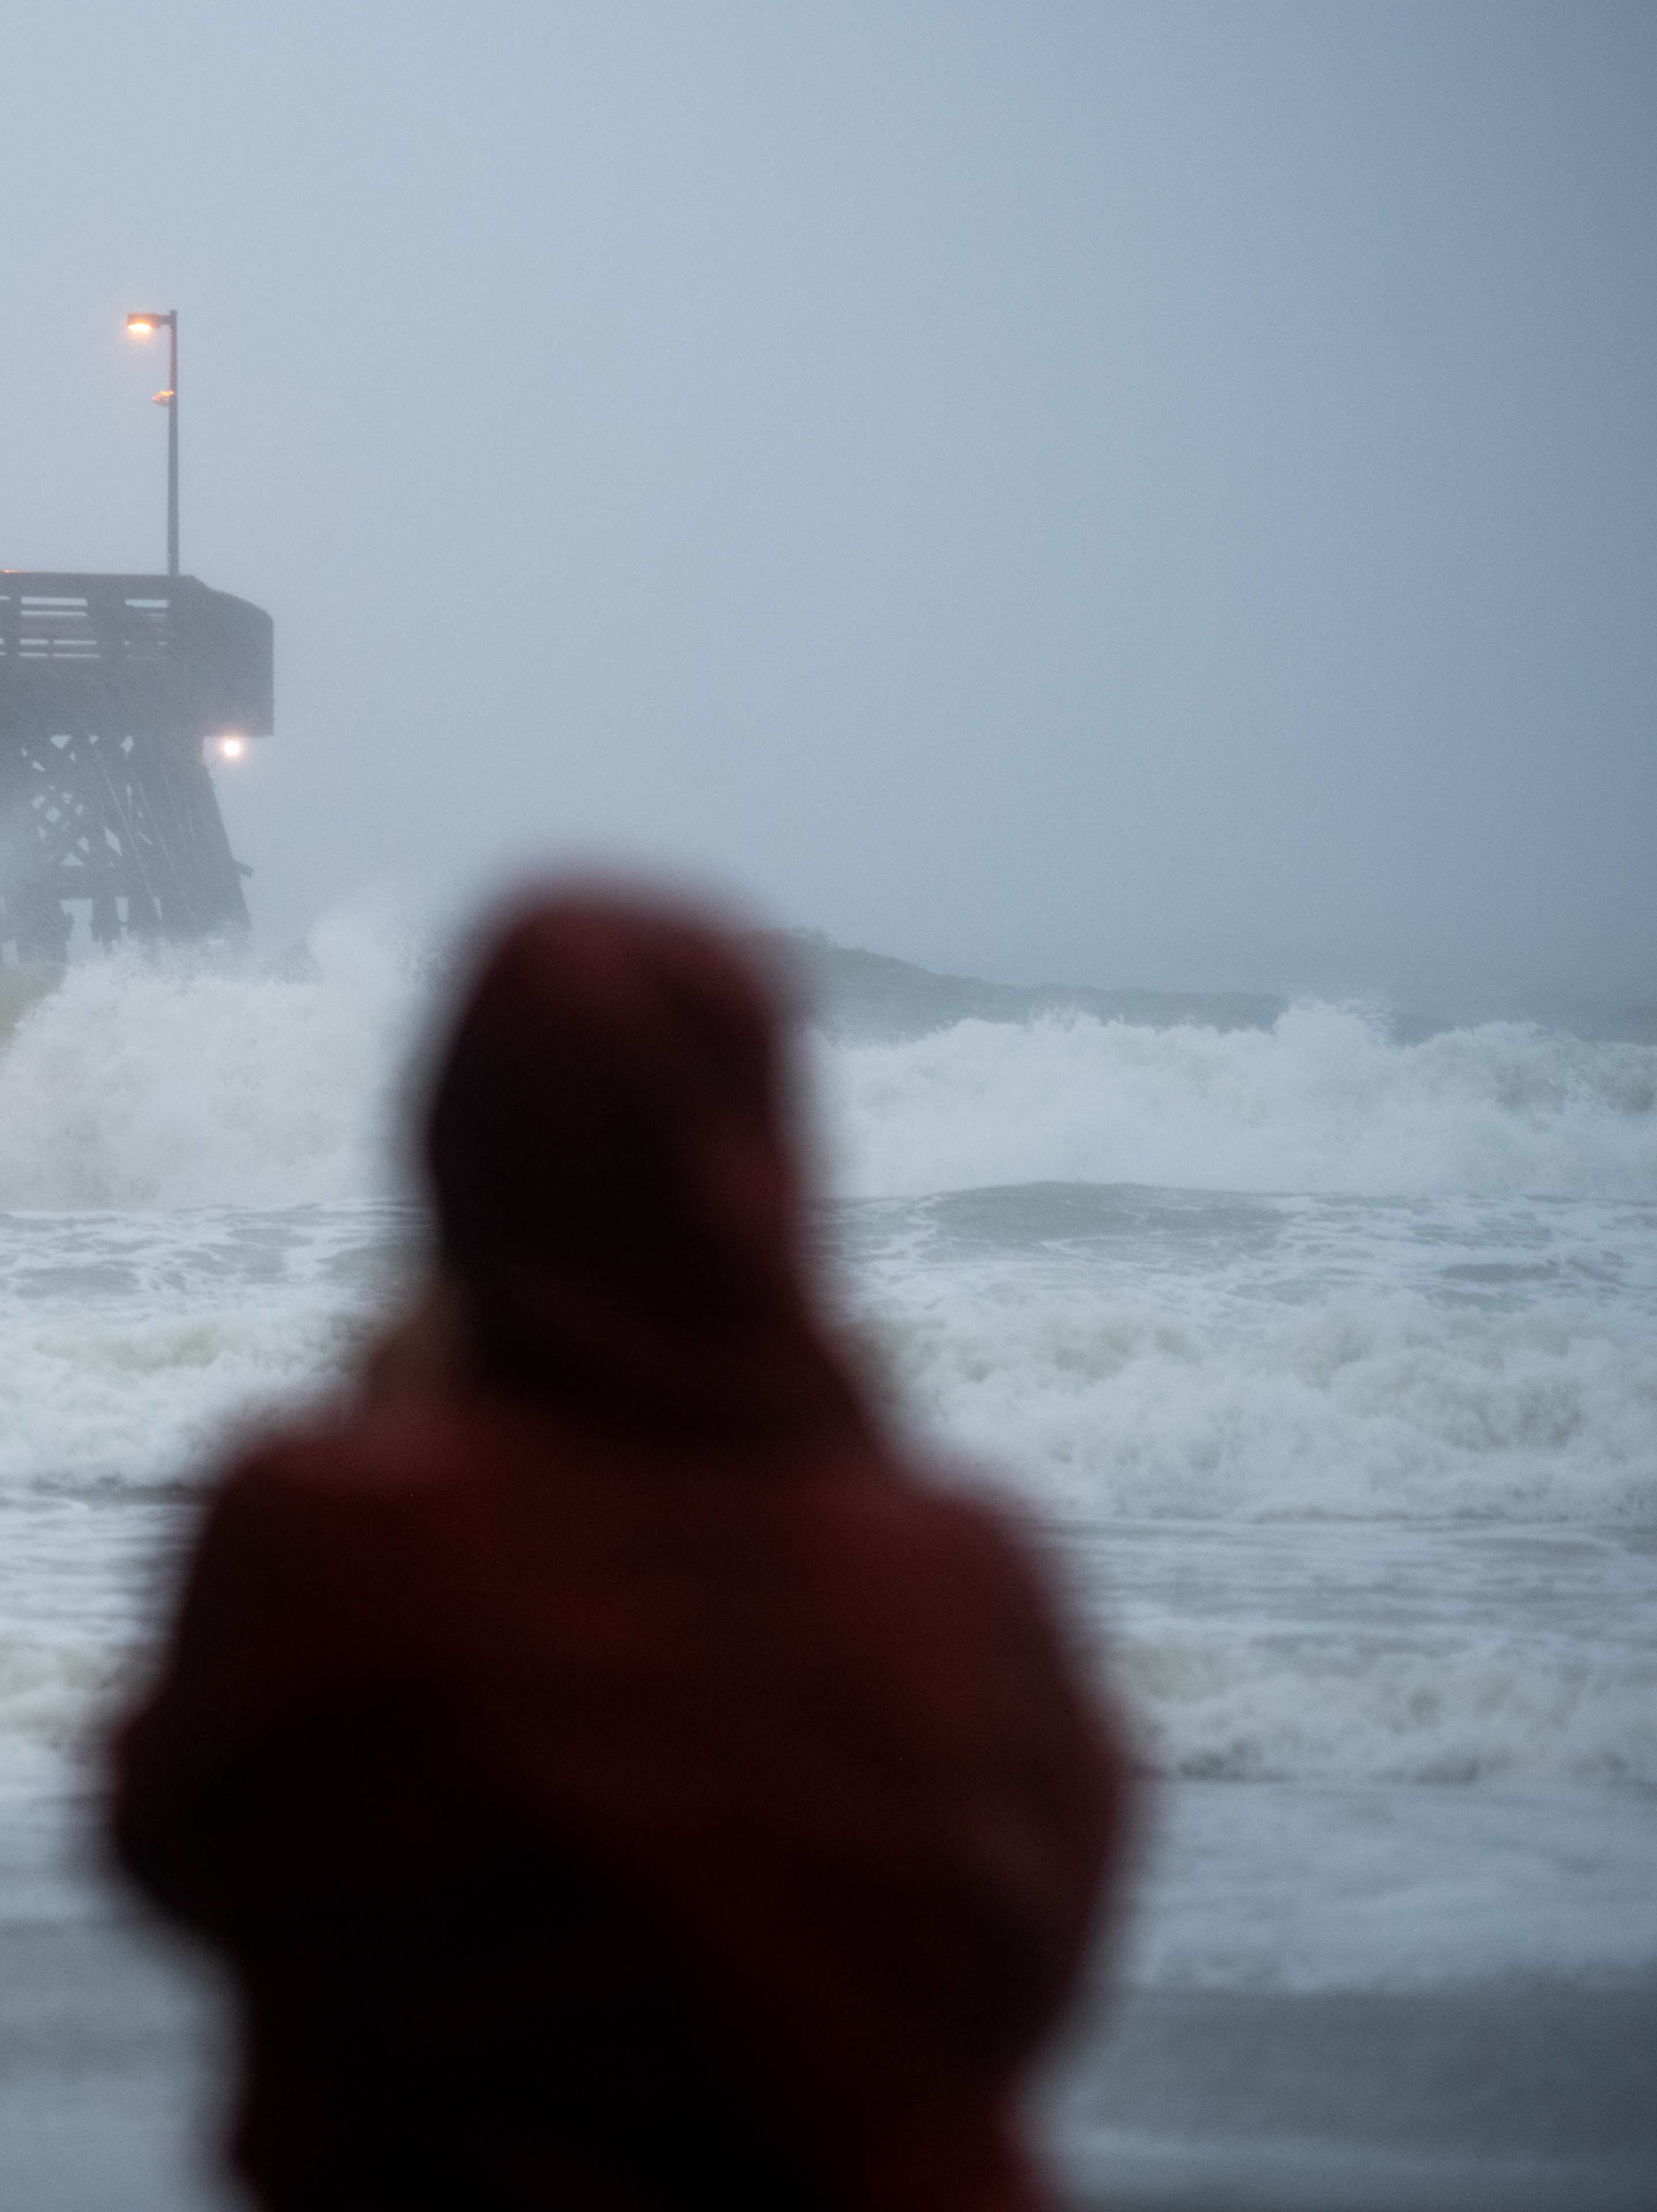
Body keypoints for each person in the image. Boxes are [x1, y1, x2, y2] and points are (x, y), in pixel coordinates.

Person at [108, 887, 1128, 2212]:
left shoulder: (323, 1535)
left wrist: (380, 1424)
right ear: (762, 1152)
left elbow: (178, 1837)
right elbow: (1030, 1963)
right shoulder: (961, 1575)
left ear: (457, 1150)